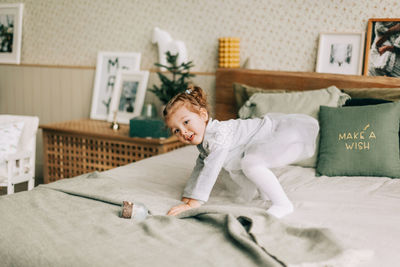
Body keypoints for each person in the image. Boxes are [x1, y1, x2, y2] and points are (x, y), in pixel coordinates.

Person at [163, 85, 319, 218]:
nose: (183, 131)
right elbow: (200, 168)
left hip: (282, 134)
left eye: (186, 122)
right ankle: (266, 192)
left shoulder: (217, 136)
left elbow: (211, 170)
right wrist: (188, 195)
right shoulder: (204, 142)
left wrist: (195, 203)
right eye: (176, 130)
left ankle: (283, 204)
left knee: (250, 164)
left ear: (203, 115)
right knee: (248, 162)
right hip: (265, 139)